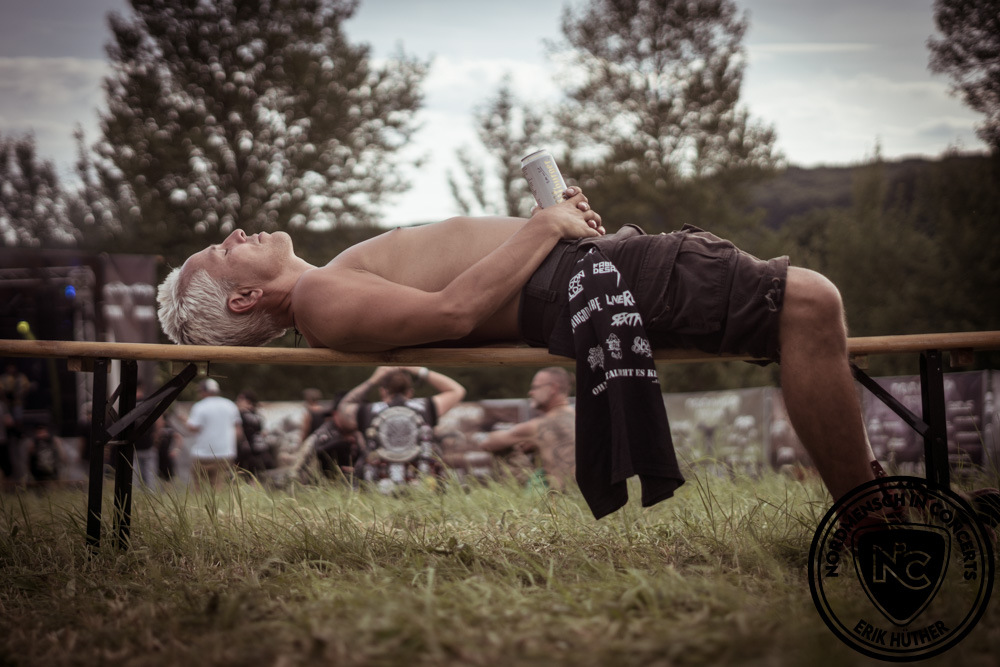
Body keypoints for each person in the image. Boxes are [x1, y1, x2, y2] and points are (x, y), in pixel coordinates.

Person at [157, 185, 880, 505]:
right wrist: (543, 227)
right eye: (223, 252)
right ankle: (869, 514)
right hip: (578, 281)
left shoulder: (327, 286)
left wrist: (554, 223)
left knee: (800, 313)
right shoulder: (319, 298)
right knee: (810, 302)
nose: (235, 235)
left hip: (577, 271)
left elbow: (467, 284)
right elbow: (455, 312)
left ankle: (870, 502)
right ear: (244, 299)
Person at [337, 366, 465, 486]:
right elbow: (457, 390)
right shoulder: (426, 406)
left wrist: (373, 380)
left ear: (382, 391)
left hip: (377, 487)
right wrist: (416, 369)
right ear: (410, 392)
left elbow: (343, 408)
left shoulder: (368, 411)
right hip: (422, 486)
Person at [473, 367, 576, 492]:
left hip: (558, 497)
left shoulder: (538, 426)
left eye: (535, 387)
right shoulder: (581, 420)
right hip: (585, 496)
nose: (530, 393)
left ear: (553, 388)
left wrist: (519, 441)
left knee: (507, 450)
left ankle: (514, 495)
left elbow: (487, 443)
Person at [182, 378, 242, 490]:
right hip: (225, 453)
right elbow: (238, 430)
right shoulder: (230, 405)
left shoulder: (200, 406)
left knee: (198, 486)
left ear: (204, 391)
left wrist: (185, 421)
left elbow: (193, 428)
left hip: (203, 453)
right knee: (219, 486)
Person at [235, 389, 273, 480]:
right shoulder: (259, 415)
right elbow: (265, 432)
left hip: (248, 454)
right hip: (263, 452)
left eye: (240, 400)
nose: (237, 402)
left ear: (248, 402)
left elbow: (238, 434)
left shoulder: (241, 415)